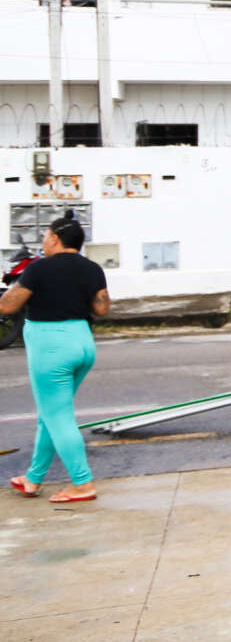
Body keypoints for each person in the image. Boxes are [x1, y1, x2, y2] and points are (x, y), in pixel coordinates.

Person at [3, 216, 109, 504]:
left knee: (58, 417)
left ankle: (82, 482)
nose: (43, 241)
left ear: (54, 239)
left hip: (52, 347)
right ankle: (33, 479)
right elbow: (101, 308)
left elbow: (8, 305)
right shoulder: (92, 268)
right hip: (83, 343)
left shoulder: (39, 268)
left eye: (46, 236)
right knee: (51, 415)